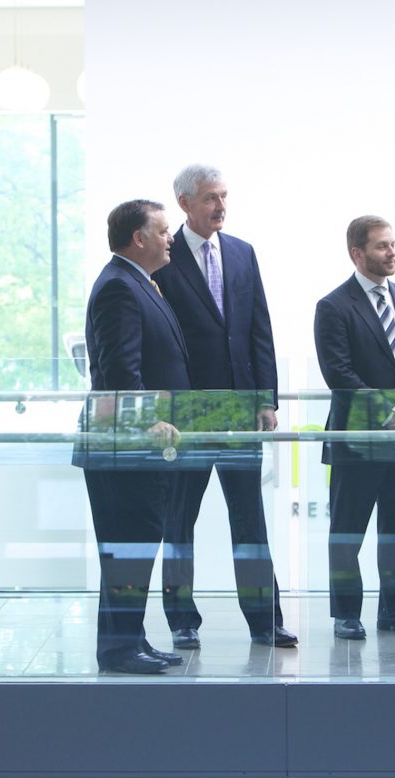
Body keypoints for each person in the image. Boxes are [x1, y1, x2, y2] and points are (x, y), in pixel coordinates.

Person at [153, 164, 296, 651]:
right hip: (187, 414)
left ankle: (265, 620)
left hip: (239, 410)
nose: (221, 206)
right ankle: (181, 621)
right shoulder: (164, 257)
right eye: (211, 197)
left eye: (224, 196)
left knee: (250, 519)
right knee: (179, 520)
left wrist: (266, 399)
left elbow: (259, 327)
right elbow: (158, 340)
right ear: (186, 203)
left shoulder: (241, 252)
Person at [73, 199, 190, 675]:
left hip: (139, 447)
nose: (171, 239)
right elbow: (121, 368)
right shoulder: (120, 288)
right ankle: (120, 650)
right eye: (163, 231)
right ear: (139, 238)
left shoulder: (138, 283)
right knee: (128, 546)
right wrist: (145, 424)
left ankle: (131, 638)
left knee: (136, 545)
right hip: (126, 446)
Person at [314, 216, 395, 641]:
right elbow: (339, 374)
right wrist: (390, 410)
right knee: (348, 530)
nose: (392, 252)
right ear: (357, 253)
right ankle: (347, 614)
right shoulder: (333, 306)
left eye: (393, 244)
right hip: (357, 439)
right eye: (382, 246)